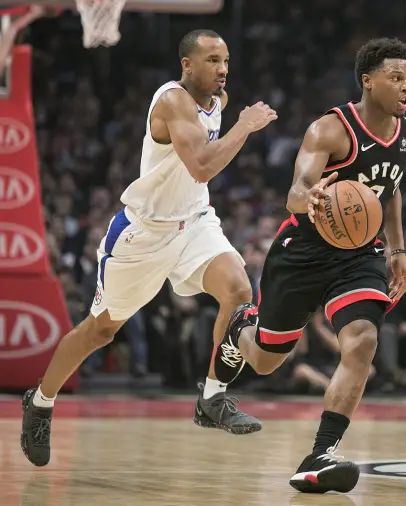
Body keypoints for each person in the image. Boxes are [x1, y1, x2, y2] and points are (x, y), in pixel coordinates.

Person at [20, 29, 277, 467]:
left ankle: (212, 397)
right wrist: (245, 128)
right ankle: (40, 401)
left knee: (238, 291)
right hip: (144, 233)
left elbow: (200, 177)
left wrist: (236, 124)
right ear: (187, 65)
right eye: (212, 60)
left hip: (194, 222)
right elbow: (200, 166)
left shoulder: (220, 100)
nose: (223, 69)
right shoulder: (173, 101)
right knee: (100, 330)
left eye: (226, 60)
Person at [209, 38, 406, 494]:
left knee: (362, 340)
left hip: (360, 254)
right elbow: (296, 189)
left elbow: (392, 187)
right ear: (368, 80)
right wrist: (312, 199)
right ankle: (240, 326)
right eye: (396, 78)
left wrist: (397, 251)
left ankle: (320, 453)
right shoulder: (330, 128)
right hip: (303, 249)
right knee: (264, 361)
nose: (405, 88)